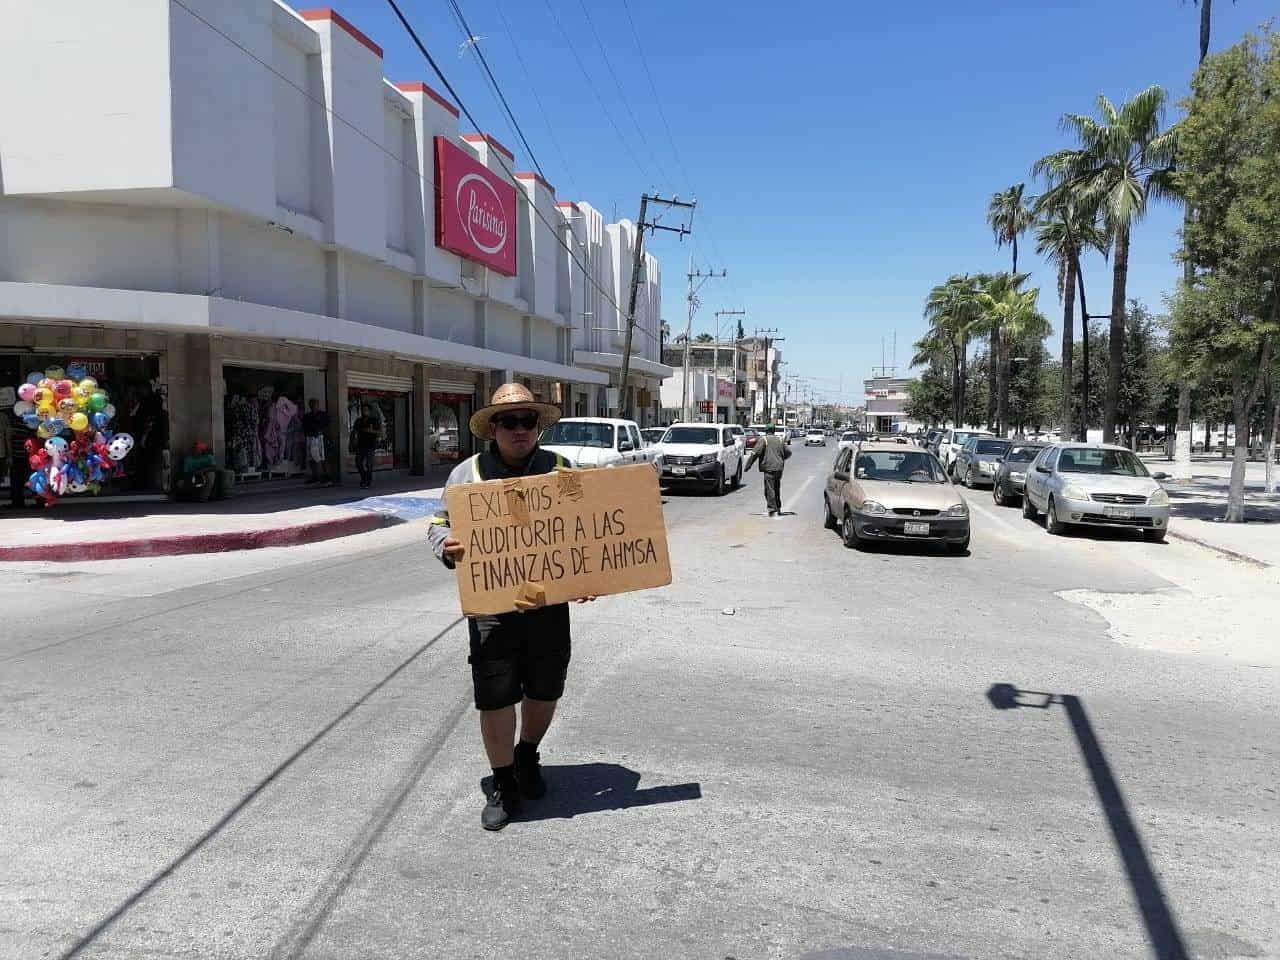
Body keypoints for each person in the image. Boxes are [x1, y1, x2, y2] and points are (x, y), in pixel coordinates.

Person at [426, 383, 591, 832]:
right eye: (510, 421)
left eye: (528, 420)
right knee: (495, 695)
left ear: (538, 426)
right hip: (492, 606)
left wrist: (588, 575)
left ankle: (527, 756)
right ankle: (503, 783)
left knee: (546, 688)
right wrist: (447, 545)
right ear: (492, 429)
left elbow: (584, 528)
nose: (520, 429)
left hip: (547, 603)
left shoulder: (561, 469)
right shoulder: (467, 475)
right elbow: (438, 525)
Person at [744, 422, 791, 516]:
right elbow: (789, 452)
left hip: (769, 468)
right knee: (776, 488)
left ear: (766, 431)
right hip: (779, 468)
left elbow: (754, 454)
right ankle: (778, 507)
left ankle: (772, 509)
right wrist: (781, 459)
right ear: (774, 431)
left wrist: (748, 466)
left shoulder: (764, 440)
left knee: (769, 490)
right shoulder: (780, 439)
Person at [350, 403, 380, 489]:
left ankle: (367, 481)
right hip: (360, 445)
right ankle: (364, 477)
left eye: (366, 410)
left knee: (369, 464)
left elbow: (379, 432)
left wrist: (371, 430)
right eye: (363, 410)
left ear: (369, 411)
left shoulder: (374, 420)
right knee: (358, 462)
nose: (364, 411)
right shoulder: (359, 421)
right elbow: (354, 431)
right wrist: (353, 440)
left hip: (370, 445)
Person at [301, 398, 330, 485]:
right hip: (310, 438)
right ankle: (315, 476)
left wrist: (321, 431)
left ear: (318, 405)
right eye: (311, 404)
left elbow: (327, 425)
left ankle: (326, 477)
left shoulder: (323, 415)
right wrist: (306, 435)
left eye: (315, 404)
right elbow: (304, 427)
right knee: (311, 458)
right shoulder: (307, 416)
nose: (313, 406)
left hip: (320, 438)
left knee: (322, 458)